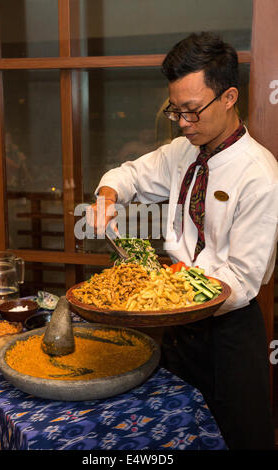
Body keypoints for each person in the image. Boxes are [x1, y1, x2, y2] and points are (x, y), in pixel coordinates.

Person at [87, 32, 278, 449]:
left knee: (241, 436)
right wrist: (107, 197)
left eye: (192, 111)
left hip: (227, 331)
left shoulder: (259, 174)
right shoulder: (181, 152)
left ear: (229, 96)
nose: (184, 123)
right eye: (176, 112)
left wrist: (166, 293)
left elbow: (241, 280)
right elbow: (130, 175)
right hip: (176, 327)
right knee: (175, 432)